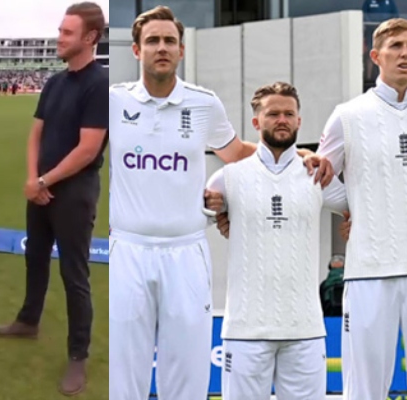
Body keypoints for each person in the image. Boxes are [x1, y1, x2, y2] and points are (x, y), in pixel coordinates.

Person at [107, 7, 334, 400]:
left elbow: (241, 154)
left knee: (187, 375)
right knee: (123, 371)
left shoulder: (204, 104)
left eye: (169, 41)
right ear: (136, 50)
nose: (161, 47)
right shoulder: (111, 101)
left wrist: (298, 157)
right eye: (152, 41)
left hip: (186, 249)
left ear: (181, 50)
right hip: (128, 248)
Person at [316, 18, 407, 400]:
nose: (406, 53)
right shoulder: (347, 114)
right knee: (364, 389)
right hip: (369, 270)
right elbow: (317, 177)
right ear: (375, 55)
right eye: (396, 46)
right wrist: (355, 208)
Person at [0, 2, 108, 396]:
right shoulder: (55, 82)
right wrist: (31, 179)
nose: (59, 38)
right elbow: (36, 134)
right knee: (34, 257)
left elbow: (88, 149)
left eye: (66, 33)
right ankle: (28, 320)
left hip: (74, 192)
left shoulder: (99, 84)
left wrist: (43, 179)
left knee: (74, 274)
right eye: (59, 31)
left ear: (89, 38)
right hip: (40, 188)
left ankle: (78, 356)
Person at [206, 82, 348, 400]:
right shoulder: (228, 178)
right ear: (257, 122)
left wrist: (354, 224)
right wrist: (213, 211)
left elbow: (361, 210)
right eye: (273, 114)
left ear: (299, 121)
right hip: (245, 330)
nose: (281, 119)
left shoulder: (316, 176)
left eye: (289, 113)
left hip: (305, 330)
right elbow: (192, 219)